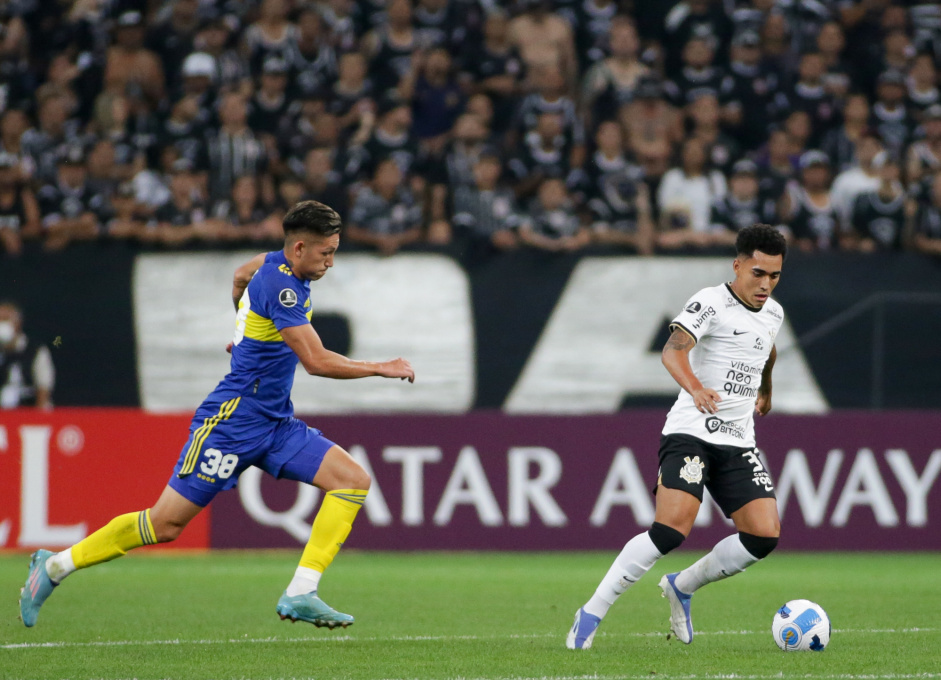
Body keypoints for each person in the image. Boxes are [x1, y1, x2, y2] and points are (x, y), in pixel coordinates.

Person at [20, 200, 415, 629]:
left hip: (275, 424)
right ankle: (54, 566)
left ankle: (302, 591)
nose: (331, 263)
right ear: (300, 248)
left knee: (352, 480)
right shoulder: (283, 288)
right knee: (165, 524)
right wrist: (381, 367)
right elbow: (317, 362)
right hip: (231, 423)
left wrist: (244, 334)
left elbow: (239, 277)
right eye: (326, 253)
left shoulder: (271, 264)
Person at [567, 223, 786, 650]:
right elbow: (673, 349)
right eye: (758, 273)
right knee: (670, 530)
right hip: (691, 433)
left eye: (775, 276)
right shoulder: (710, 302)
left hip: (738, 440)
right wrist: (696, 388)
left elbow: (768, 348)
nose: (765, 284)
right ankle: (591, 611)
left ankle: (681, 587)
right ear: (738, 265)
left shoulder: (773, 313)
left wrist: (766, 389)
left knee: (763, 536)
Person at [0, 302, 55, 409]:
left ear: (17, 323)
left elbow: (43, 386)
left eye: (5, 319)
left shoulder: (35, 350)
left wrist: (37, 416)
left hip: (28, 408)